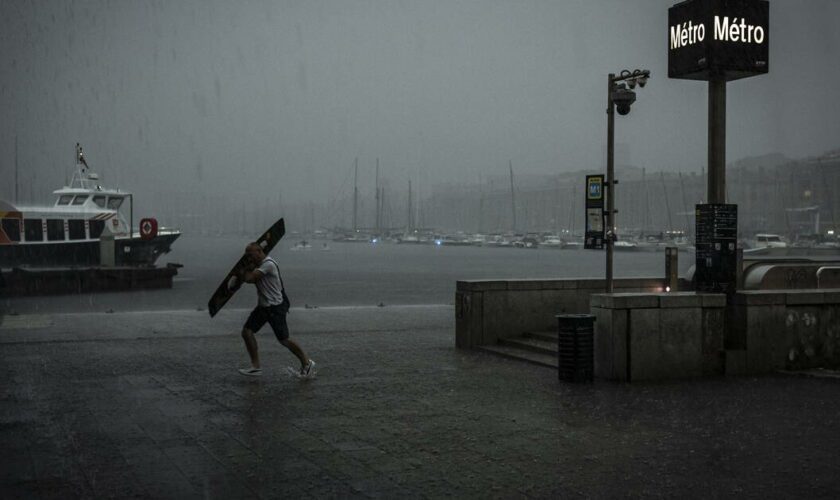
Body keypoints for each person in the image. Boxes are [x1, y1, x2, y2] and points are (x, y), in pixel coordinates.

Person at [233, 242, 315, 378]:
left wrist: (241, 271)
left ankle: (307, 363)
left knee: (284, 339)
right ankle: (256, 367)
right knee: (247, 332)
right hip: (263, 306)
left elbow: (251, 278)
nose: (249, 258)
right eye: (247, 255)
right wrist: (245, 269)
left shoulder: (268, 264)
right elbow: (249, 274)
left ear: (259, 252)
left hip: (275, 307)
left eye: (251, 255)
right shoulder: (258, 265)